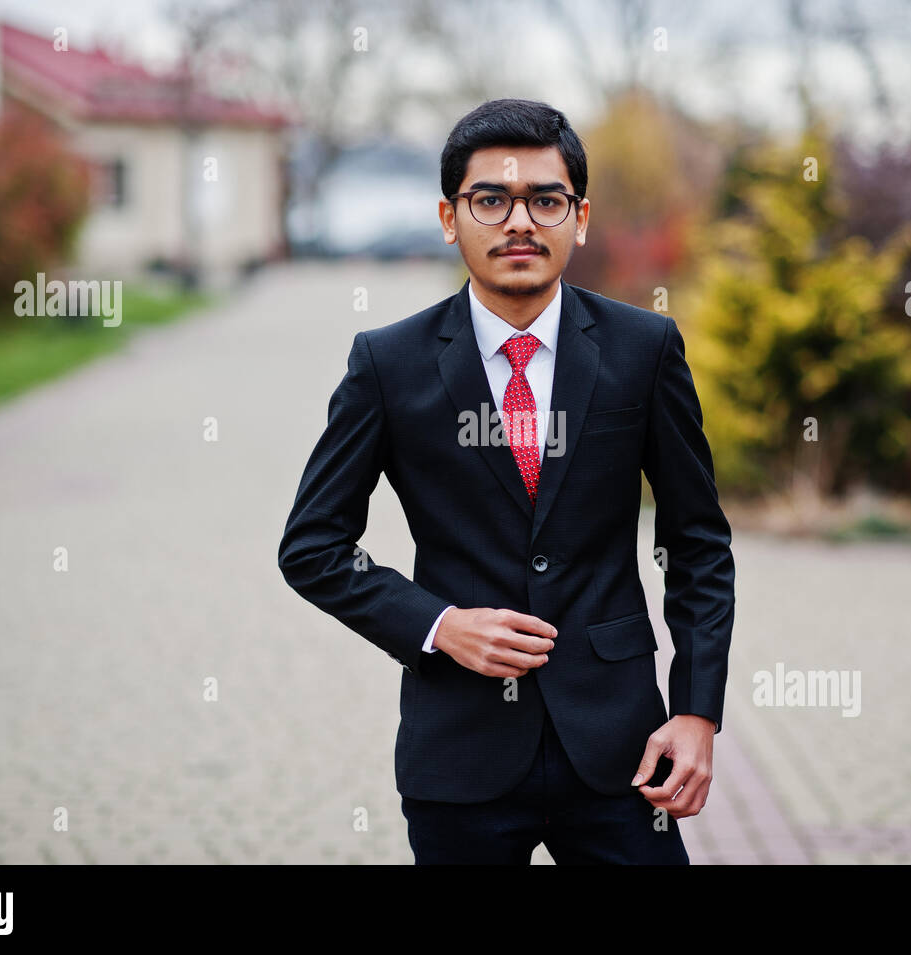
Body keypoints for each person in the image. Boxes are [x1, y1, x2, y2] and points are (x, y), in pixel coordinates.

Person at [278, 98, 736, 864]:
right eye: (490, 199)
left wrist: (697, 712)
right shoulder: (387, 364)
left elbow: (696, 542)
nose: (519, 222)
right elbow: (313, 546)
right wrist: (437, 624)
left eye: (545, 200)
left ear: (579, 218)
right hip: (460, 750)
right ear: (450, 218)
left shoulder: (643, 348)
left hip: (623, 750)